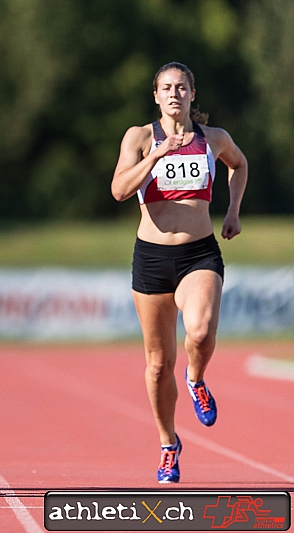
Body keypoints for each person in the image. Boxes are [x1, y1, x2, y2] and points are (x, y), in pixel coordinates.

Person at [111, 62, 247, 483]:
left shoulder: (213, 138)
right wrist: (155, 154)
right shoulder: (139, 137)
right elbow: (119, 190)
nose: (174, 94)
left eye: (182, 87)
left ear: (192, 93)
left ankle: (196, 378)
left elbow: (239, 164)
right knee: (157, 365)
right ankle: (168, 443)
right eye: (167, 88)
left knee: (201, 333)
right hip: (152, 259)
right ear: (156, 96)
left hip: (198, 254)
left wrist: (233, 211)